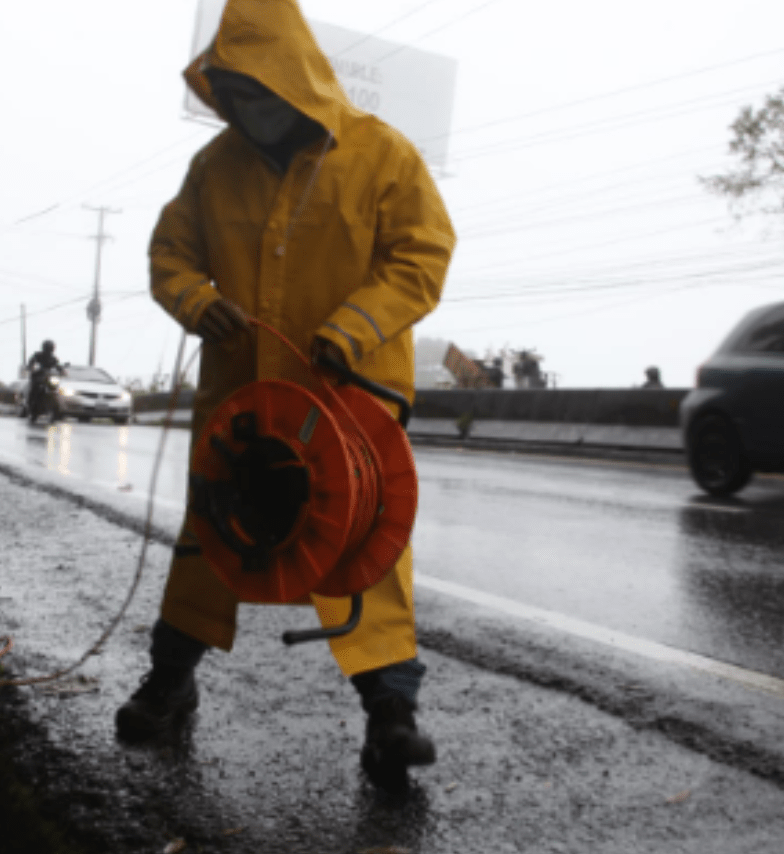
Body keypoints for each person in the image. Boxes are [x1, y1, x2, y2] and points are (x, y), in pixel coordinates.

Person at [124, 0, 455, 789]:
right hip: (245, 408)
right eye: (233, 95)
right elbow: (169, 255)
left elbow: (422, 256)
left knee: (365, 550)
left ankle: (391, 720)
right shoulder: (214, 169)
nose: (248, 109)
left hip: (350, 407)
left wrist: (353, 325)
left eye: (260, 93)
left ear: (297, 79)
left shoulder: (382, 156)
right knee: (212, 538)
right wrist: (195, 301)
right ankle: (169, 685)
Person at [24, 339, 64, 418]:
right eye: (48, 347)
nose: (49, 349)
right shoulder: (38, 355)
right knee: (34, 388)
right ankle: (29, 404)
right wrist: (30, 367)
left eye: (51, 347)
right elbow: (31, 362)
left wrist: (62, 370)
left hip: (48, 377)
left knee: (55, 389)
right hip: (38, 376)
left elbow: (58, 366)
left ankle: (55, 407)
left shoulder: (53, 358)